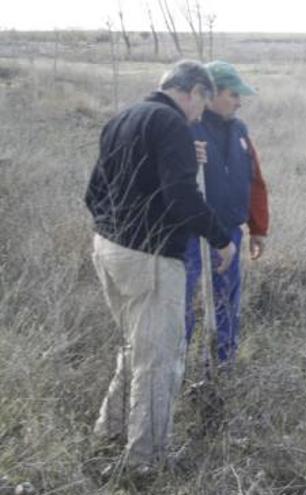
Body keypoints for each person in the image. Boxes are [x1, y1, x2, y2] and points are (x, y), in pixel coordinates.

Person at [84, 60, 236, 482]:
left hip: (109, 249)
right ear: (192, 91)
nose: (200, 114)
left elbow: (93, 190)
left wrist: (115, 228)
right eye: (201, 104)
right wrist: (220, 238)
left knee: (135, 349)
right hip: (149, 258)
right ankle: (144, 463)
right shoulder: (171, 124)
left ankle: (108, 433)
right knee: (160, 361)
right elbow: (181, 197)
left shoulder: (125, 117)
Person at [184, 60, 270, 365]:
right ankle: (176, 368)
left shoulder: (240, 130)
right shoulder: (188, 125)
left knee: (226, 299)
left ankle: (221, 367)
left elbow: (254, 177)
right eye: (233, 94)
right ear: (211, 94)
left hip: (230, 231)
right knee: (182, 299)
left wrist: (257, 227)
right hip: (191, 232)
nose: (238, 101)